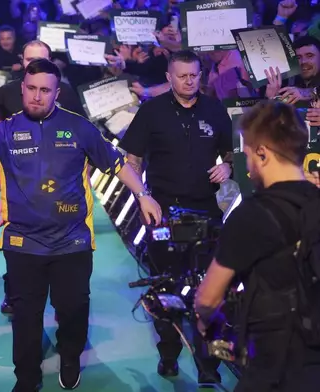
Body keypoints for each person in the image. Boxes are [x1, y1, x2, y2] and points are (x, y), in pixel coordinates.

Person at [0, 58, 161, 392]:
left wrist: (143, 194)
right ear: (22, 88)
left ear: (57, 93)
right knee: (25, 317)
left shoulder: (79, 127)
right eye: (30, 88)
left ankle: (70, 356)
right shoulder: (4, 131)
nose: (36, 96)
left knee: (73, 307)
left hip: (72, 241)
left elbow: (116, 164)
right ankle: (26, 379)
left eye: (45, 90)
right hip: (22, 242)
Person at [119, 50, 233, 385]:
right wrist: (142, 196)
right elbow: (131, 160)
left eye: (194, 75)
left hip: (207, 212)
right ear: (168, 77)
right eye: (181, 76)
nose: (188, 81)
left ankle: (208, 364)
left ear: (202, 76)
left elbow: (233, 150)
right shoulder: (151, 111)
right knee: (165, 286)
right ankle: (168, 353)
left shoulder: (215, 109)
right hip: (162, 212)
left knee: (208, 290)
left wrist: (227, 165)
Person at [195, 100, 320, 391]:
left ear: (262, 154)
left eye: (249, 156)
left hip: (275, 365)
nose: (248, 169)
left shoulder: (251, 215)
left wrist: (203, 324)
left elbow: (209, 298)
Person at [0, 39, 86, 315]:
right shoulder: (2, 95)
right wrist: (1, 180)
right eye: (30, 59)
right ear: (21, 61)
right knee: (17, 240)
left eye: (42, 59)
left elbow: (84, 138)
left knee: (62, 242)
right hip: (18, 184)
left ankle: (61, 299)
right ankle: (14, 292)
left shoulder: (67, 93)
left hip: (60, 186)